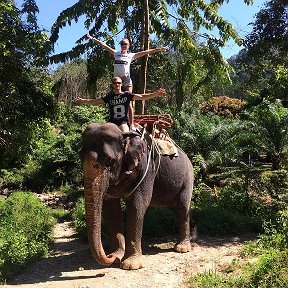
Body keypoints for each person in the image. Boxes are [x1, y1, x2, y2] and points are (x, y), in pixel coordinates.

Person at [75, 77, 166, 133]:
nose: (117, 84)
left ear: (121, 84)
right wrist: (83, 101)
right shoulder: (110, 97)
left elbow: (142, 96)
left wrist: (155, 94)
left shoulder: (127, 95)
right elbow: (95, 102)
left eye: (119, 83)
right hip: (111, 122)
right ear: (112, 85)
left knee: (126, 136)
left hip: (123, 121)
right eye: (115, 83)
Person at [87, 33, 168, 92]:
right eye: (122, 44)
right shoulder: (116, 53)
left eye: (125, 44)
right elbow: (104, 45)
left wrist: (160, 49)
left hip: (126, 80)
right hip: (117, 81)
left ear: (128, 46)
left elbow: (146, 52)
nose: (123, 45)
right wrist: (92, 38)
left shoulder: (131, 55)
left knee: (129, 101)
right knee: (116, 100)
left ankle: (130, 116)